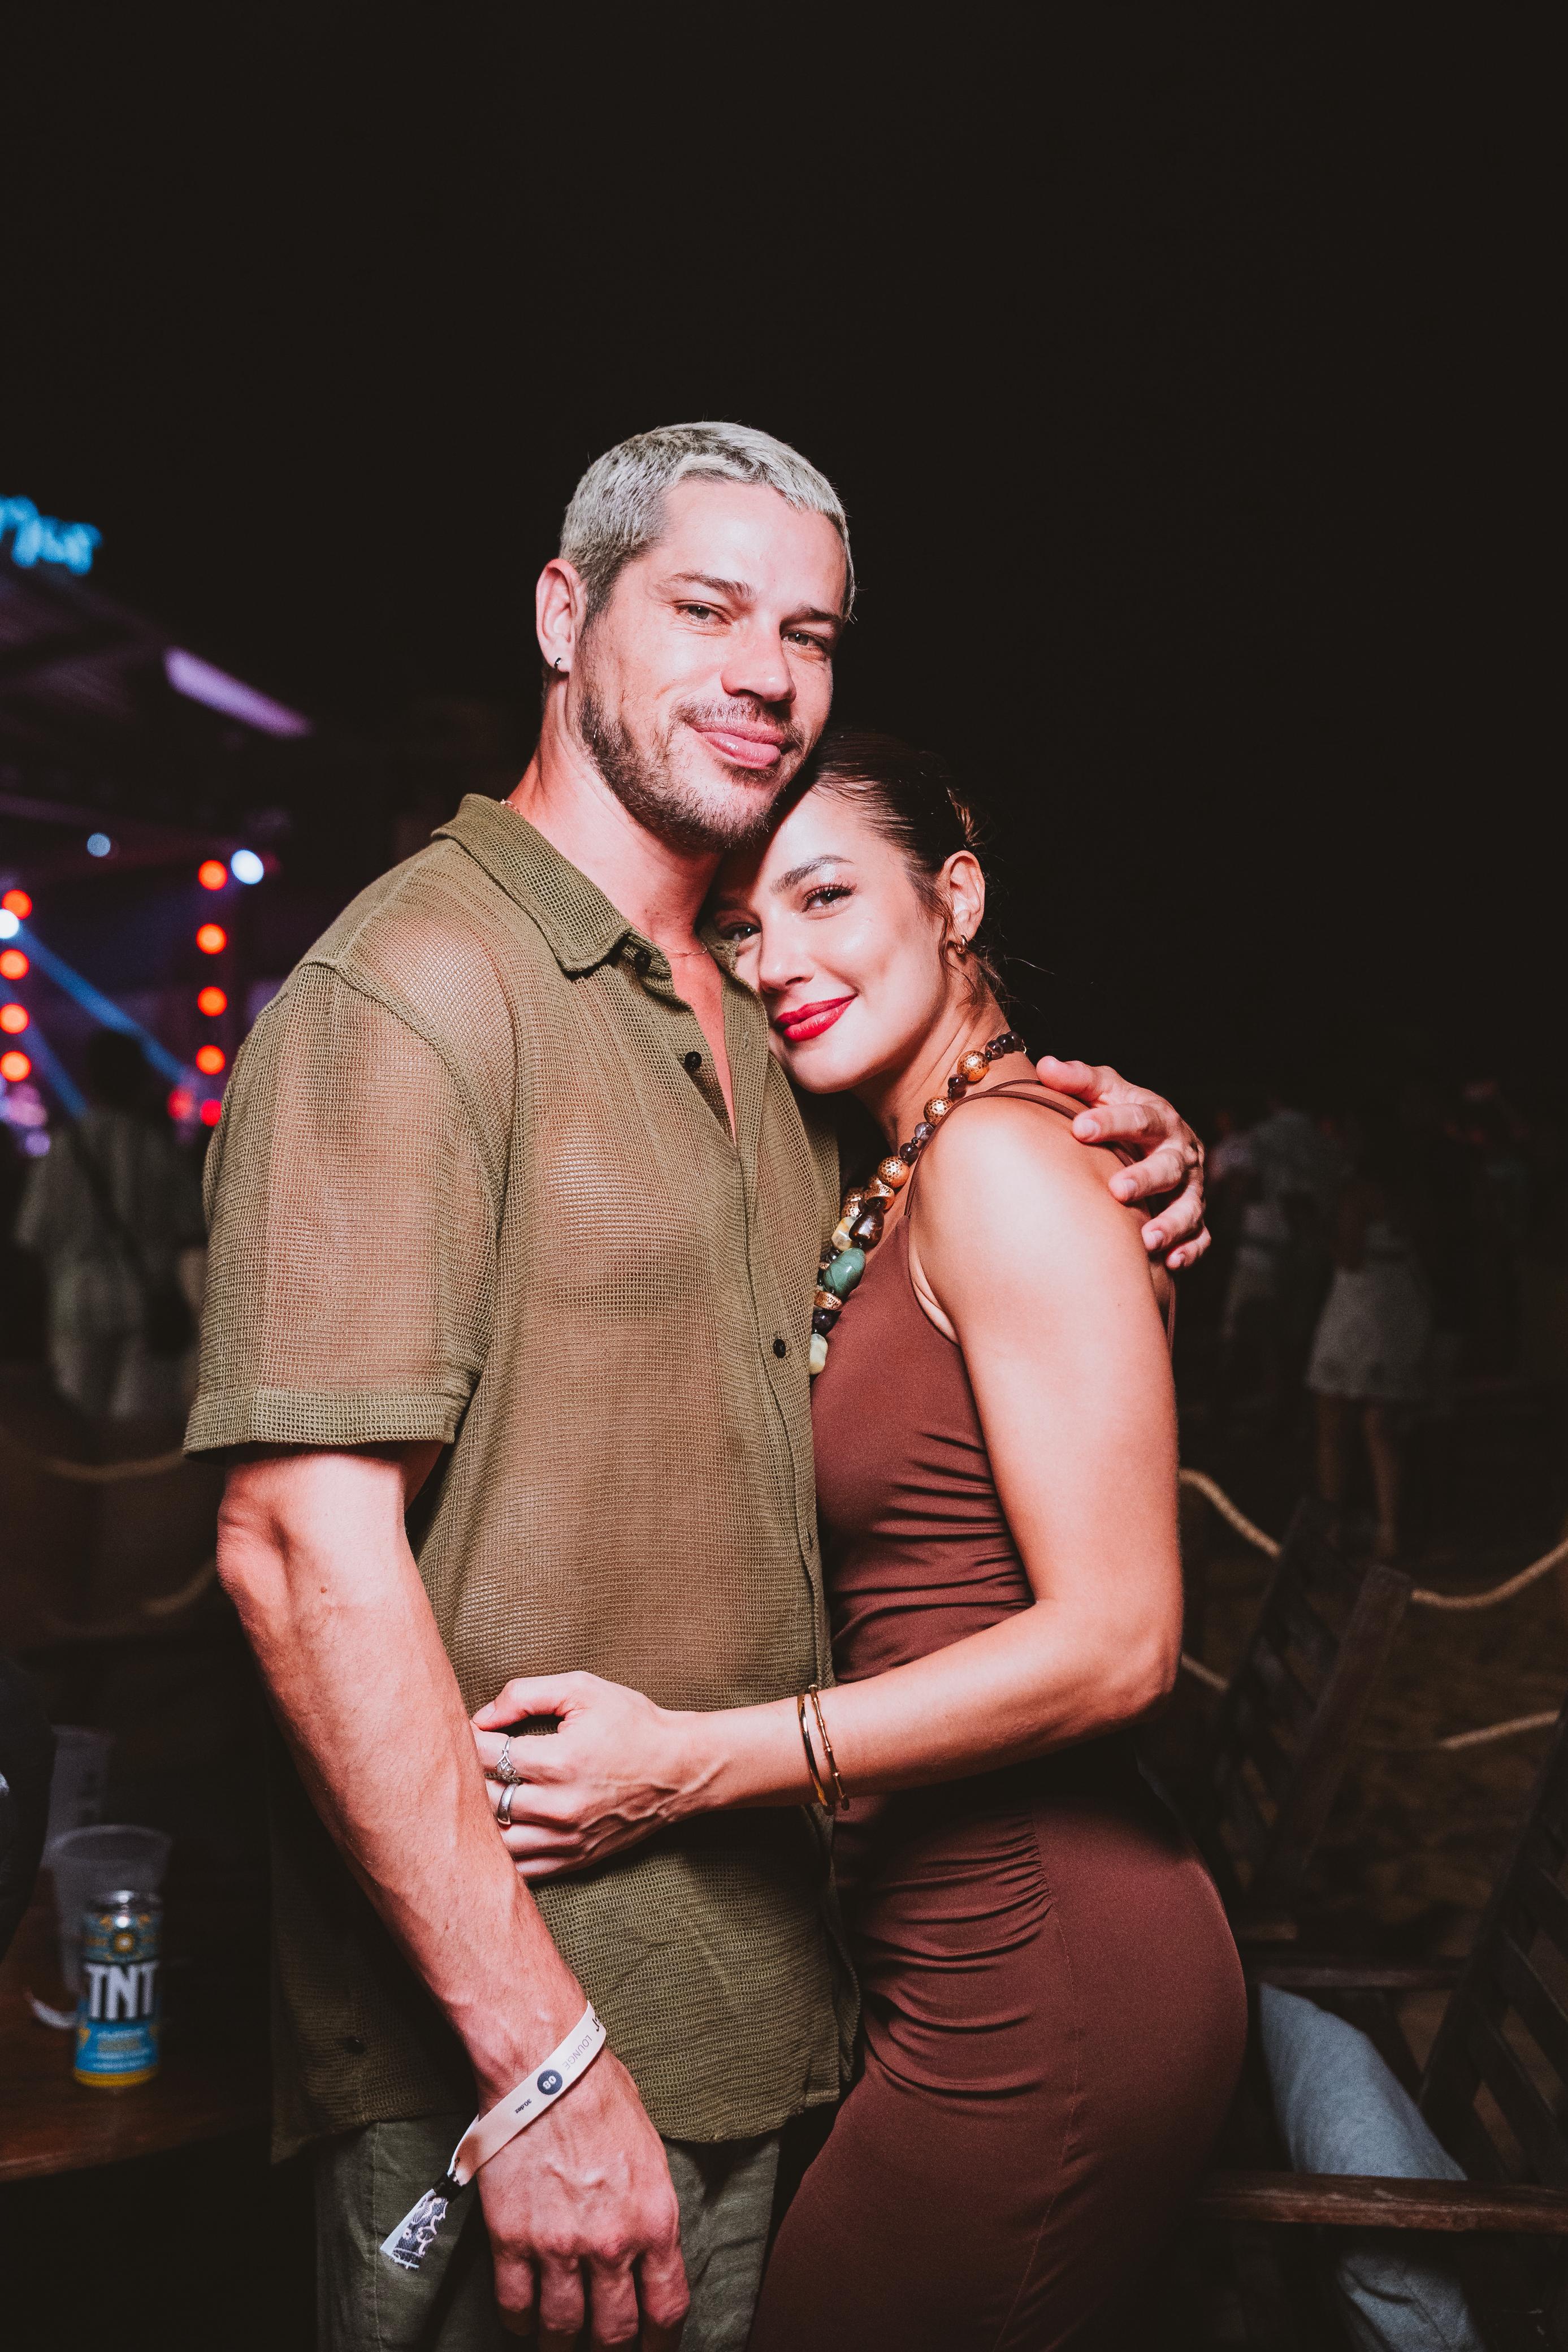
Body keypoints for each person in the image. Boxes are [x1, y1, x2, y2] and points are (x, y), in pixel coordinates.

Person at [189, 423, 1212, 2352]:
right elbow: (292, 1554)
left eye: (807, 633)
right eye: (708, 607)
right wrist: (537, 2060)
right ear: (561, 614)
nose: (765, 670)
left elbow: (954, 1226)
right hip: (525, 2058)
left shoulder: (764, 1015)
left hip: (789, 2012)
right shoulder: (413, 990)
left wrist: (1128, 1148)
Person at [470, 732, 1246, 2347]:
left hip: (1044, 1973)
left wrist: (688, 1762)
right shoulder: (903, 1159)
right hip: (946, 1950)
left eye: (826, 896)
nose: (780, 963)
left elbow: (1120, 1644)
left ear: (954, 895)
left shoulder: (1002, 1159)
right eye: (744, 928)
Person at [16, 1029, 202, 1423]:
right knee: (136, 1430)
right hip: (145, 1306)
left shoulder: (62, 1150)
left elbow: (33, 1235)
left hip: (74, 1303)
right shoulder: (156, 1148)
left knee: (74, 1425)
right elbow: (191, 1229)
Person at [1308, 1117, 1436, 1562]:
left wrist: (1316, 1228)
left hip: (1361, 1305)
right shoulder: (1415, 1191)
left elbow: (1350, 1255)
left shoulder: (1357, 1191)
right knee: (1383, 1425)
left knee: (1333, 1421)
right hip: (1403, 1298)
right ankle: (1390, 1530)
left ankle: (1333, 1530)